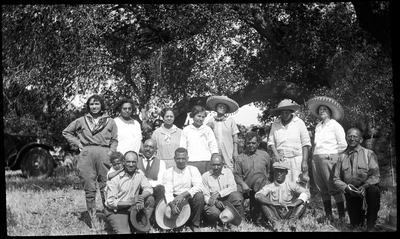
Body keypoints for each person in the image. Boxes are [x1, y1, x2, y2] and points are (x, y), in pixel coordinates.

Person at [62, 94, 118, 221]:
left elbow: (114, 140)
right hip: (87, 154)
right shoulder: (82, 120)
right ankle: (93, 219)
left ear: (101, 105)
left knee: (106, 185)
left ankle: (108, 218)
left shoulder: (110, 121)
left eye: (97, 104)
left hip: (104, 154)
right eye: (92, 104)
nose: (94, 106)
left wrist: (111, 152)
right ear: (88, 106)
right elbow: (66, 132)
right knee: (89, 186)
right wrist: (78, 143)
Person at [307, 96, 347, 221]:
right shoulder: (318, 126)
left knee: (333, 186)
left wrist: (333, 154)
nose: (322, 111)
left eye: (324, 109)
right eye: (320, 110)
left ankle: (341, 216)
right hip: (316, 158)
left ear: (329, 112)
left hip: (329, 158)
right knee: (322, 188)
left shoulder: (334, 125)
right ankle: (328, 215)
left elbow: (343, 144)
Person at [333, 128, 381, 232]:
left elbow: (375, 175)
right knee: (356, 224)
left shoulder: (369, 154)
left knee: (374, 191)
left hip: (367, 188)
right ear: (346, 138)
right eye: (349, 136)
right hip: (351, 192)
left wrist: (365, 186)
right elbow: (336, 179)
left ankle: (371, 224)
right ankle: (360, 216)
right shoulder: (341, 157)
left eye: (355, 136)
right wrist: (346, 188)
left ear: (361, 139)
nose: (352, 138)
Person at [104, 151, 155, 234]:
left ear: (137, 162)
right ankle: (113, 222)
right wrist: (131, 202)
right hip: (116, 210)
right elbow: (110, 202)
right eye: (128, 162)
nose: (131, 165)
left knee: (150, 199)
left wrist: (140, 198)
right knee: (125, 232)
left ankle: (140, 224)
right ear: (124, 162)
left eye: (133, 162)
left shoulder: (139, 173)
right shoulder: (115, 177)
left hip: (132, 207)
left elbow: (149, 188)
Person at [266, 99, 311, 184]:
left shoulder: (299, 123)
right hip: (282, 160)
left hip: (296, 159)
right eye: (282, 113)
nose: (284, 115)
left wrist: (304, 161)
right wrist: (276, 155)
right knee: (283, 185)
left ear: (291, 112)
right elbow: (271, 142)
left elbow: (306, 143)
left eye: (287, 112)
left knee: (299, 184)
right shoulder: (276, 124)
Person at [255, 162, 310, 229]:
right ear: (274, 172)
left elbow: (306, 192)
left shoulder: (291, 185)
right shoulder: (269, 186)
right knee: (263, 204)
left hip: (289, 211)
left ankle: (292, 221)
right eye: (277, 171)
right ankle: (275, 223)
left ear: (286, 173)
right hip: (275, 212)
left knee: (303, 202)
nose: (279, 174)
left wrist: (295, 203)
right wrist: (271, 203)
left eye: (281, 171)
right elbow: (258, 195)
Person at [234, 131, 273, 224]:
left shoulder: (265, 155)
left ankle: (265, 217)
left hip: (260, 186)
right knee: (235, 193)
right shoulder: (240, 158)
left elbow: (269, 171)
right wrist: (243, 184)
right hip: (246, 186)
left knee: (263, 191)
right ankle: (240, 219)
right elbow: (236, 175)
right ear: (245, 143)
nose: (251, 145)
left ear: (258, 143)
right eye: (248, 143)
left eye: (253, 143)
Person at [162, 147, 205, 232]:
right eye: (178, 158)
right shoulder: (168, 172)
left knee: (199, 196)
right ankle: (176, 223)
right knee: (170, 205)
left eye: (183, 158)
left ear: (187, 159)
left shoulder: (193, 169)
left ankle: (195, 223)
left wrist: (183, 195)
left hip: (188, 196)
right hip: (175, 198)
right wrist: (172, 205)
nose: (181, 161)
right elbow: (168, 191)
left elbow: (199, 186)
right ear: (174, 159)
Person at [202, 153, 245, 230]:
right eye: (213, 165)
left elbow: (233, 187)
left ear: (223, 164)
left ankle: (234, 221)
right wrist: (215, 201)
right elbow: (205, 196)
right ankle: (218, 222)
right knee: (213, 212)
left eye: (218, 165)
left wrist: (219, 194)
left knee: (237, 197)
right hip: (213, 204)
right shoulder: (205, 176)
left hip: (227, 200)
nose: (216, 167)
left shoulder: (228, 172)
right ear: (210, 164)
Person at [180, 105, 219, 175]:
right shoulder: (186, 130)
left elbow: (213, 146)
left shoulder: (207, 129)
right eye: (198, 116)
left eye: (203, 117)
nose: (200, 119)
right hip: (191, 161)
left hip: (206, 161)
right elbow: (183, 147)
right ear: (193, 116)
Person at [206, 96, 240, 171]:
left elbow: (235, 135)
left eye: (224, 107)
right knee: (215, 168)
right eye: (220, 106)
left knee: (229, 168)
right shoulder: (211, 121)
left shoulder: (230, 121)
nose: (222, 107)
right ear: (216, 107)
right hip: (215, 149)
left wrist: (235, 150)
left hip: (228, 150)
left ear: (226, 109)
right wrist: (207, 127)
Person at [137, 139, 166, 214]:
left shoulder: (161, 163)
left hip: (154, 190)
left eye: (151, 147)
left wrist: (146, 182)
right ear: (142, 147)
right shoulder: (136, 160)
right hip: (138, 189)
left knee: (161, 189)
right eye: (146, 146)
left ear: (155, 150)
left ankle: (157, 215)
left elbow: (161, 182)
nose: (148, 149)